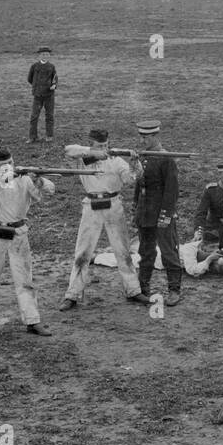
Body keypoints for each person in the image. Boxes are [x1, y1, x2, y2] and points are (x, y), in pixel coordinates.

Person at [0, 146, 57, 335]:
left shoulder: (24, 179)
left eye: (11, 162)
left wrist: (38, 179)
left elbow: (51, 189)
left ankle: (32, 321)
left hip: (18, 234)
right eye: (4, 164)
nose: (9, 166)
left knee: (24, 279)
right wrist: (6, 174)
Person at [58, 128, 141, 310]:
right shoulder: (83, 158)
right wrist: (94, 153)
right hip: (91, 206)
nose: (104, 148)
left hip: (113, 205)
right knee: (83, 253)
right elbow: (68, 150)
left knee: (123, 251)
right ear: (91, 145)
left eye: (106, 145)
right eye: (99, 145)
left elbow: (130, 179)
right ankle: (72, 295)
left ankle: (133, 290)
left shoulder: (116, 160)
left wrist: (135, 163)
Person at [133, 119, 184, 307]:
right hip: (145, 213)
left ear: (155, 136)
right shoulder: (143, 156)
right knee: (145, 251)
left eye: (145, 137)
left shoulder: (166, 158)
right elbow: (139, 185)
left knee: (168, 251)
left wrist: (166, 215)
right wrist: (135, 209)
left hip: (161, 212)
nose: (142, 141)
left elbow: (172, 190)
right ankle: (143, 287)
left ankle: (174, 290)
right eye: (141, 137)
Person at [27, 46, 57, 143]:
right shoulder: (34, 66)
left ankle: (49, 136)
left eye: (47, 54)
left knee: (49, 116)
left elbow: (55, 79)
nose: (45, 56)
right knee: (34, 117)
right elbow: (30, 79)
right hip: (37, 96)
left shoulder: (52, 67)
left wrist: (54, 85)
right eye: (43, 54)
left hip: (49, 96)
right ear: (39, 55)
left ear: (49, 56)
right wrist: (37, 87)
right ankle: (33, 137)